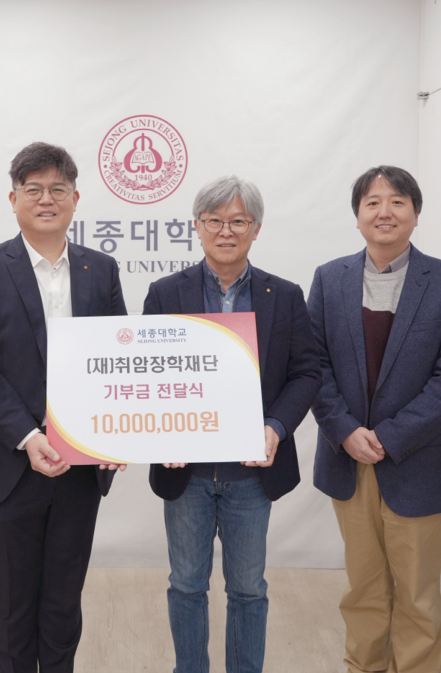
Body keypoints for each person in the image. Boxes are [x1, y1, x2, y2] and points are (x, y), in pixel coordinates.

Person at [0, 142, 127, 673]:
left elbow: (118, 358)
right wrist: (28, 436)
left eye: (57, 189)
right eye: (34, 190)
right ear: (14, 199)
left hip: (80, 464)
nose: (46, 199)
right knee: (12, 596)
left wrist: (116, 434)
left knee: (64, 595)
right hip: (11, 461)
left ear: (75, 198)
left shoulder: (101, 268)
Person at [142, 175, 320, 673]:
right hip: (187, 473)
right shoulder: (165, 292)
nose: (226, 231)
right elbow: (147, 373)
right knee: (186, 585)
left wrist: (275, 427)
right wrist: (162, 433)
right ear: (196, 226)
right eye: (215, 220)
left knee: (247, 589)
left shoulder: (285, 295)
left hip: (251, 472)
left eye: (238, 221)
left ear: (256, 228)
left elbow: (307, 373)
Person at [308, 165, 441, 673]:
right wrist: (344, 430)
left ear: (416, 214)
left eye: (398, 201)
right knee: (363, 589)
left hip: (417, 460)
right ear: (357, 216)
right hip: (348, 458)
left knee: (418, 596)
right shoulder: (329, 278)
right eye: (373, 202)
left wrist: (388, 436)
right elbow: (312, 364)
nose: (385, 211)